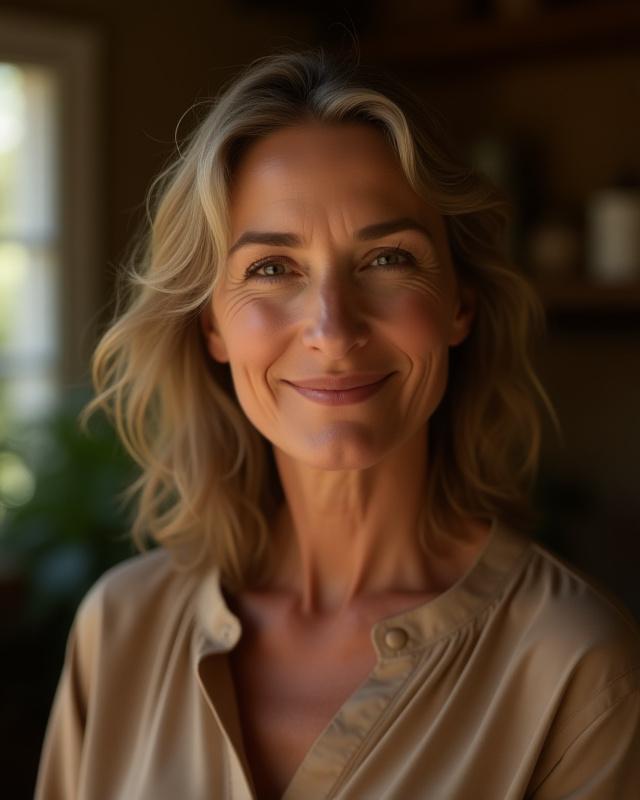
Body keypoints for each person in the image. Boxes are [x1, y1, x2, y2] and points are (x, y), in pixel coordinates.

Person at [35, 47, 640, 800]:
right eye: (271, 268)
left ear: (459, 305)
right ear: (212, 326)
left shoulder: (575, 669)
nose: (333, 327)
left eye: (387, 258)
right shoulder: (121, 630)